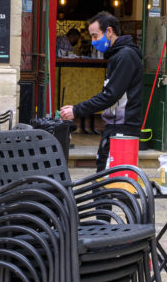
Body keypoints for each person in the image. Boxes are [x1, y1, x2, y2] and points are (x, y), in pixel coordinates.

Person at [59, 11, 143, 171]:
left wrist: (77, 110)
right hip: (115, 126)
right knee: (108, 179)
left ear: (109, 32)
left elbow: (110, 96)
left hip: (122, 129)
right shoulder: (118, 56)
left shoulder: (125, 56)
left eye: (95, 36)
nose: (93, 41)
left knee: (109, 180)